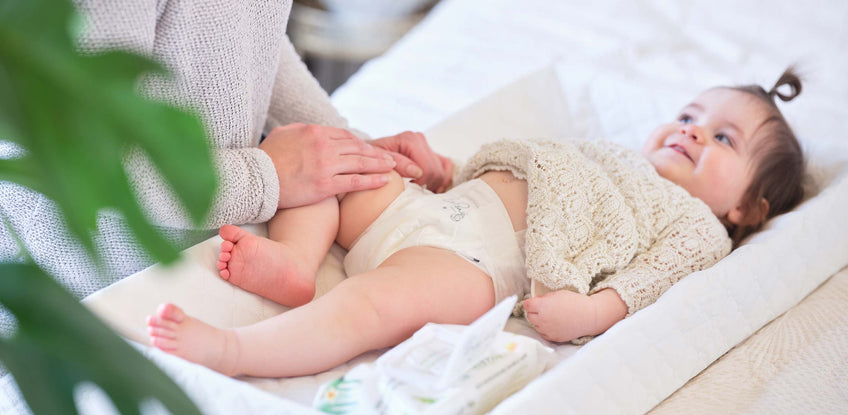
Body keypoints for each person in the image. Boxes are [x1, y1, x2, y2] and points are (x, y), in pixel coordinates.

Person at [146, 68, 806, 378]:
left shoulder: (696, 227)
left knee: (368, 302)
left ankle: (234, 352)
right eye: (690, 115)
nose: (692, 134)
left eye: (723, 139)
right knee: (322, 157)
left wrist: (588, 313)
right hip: (435, 205)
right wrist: (439, 169)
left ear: (745, 209)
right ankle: (296, 260)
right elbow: (522, 177)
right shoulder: (611, 156)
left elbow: (650, 282)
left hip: (475, 266)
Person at [0, 0, 451, 334]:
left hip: (201, 242)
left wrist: (345, 148)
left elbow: (248, 33)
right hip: (81, 288)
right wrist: (264, 177)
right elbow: (77, 162)